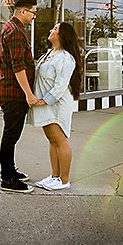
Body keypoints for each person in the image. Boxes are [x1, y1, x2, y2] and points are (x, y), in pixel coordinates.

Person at [28, 22, 83, 191]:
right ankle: (55, 176)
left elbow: (60, 85)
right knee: (52, 141)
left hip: (57, 105)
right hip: (45, 104)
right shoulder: (49, 54)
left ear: (63, 35)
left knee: (60, 140)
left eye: (55, 29)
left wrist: (45, 100)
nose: (51, 31)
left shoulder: (66, 58)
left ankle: (64, 180)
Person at [0, 0, 40, 194]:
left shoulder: (13, 28)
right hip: (14, 94)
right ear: (23, 11)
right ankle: (7, 179)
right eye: (33, 12)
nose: (34, 17)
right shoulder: (15, 32)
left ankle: (10, 171)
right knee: (11, 135)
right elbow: (18, 66)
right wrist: (29, 94)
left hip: (12, 92)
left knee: (12, 135)